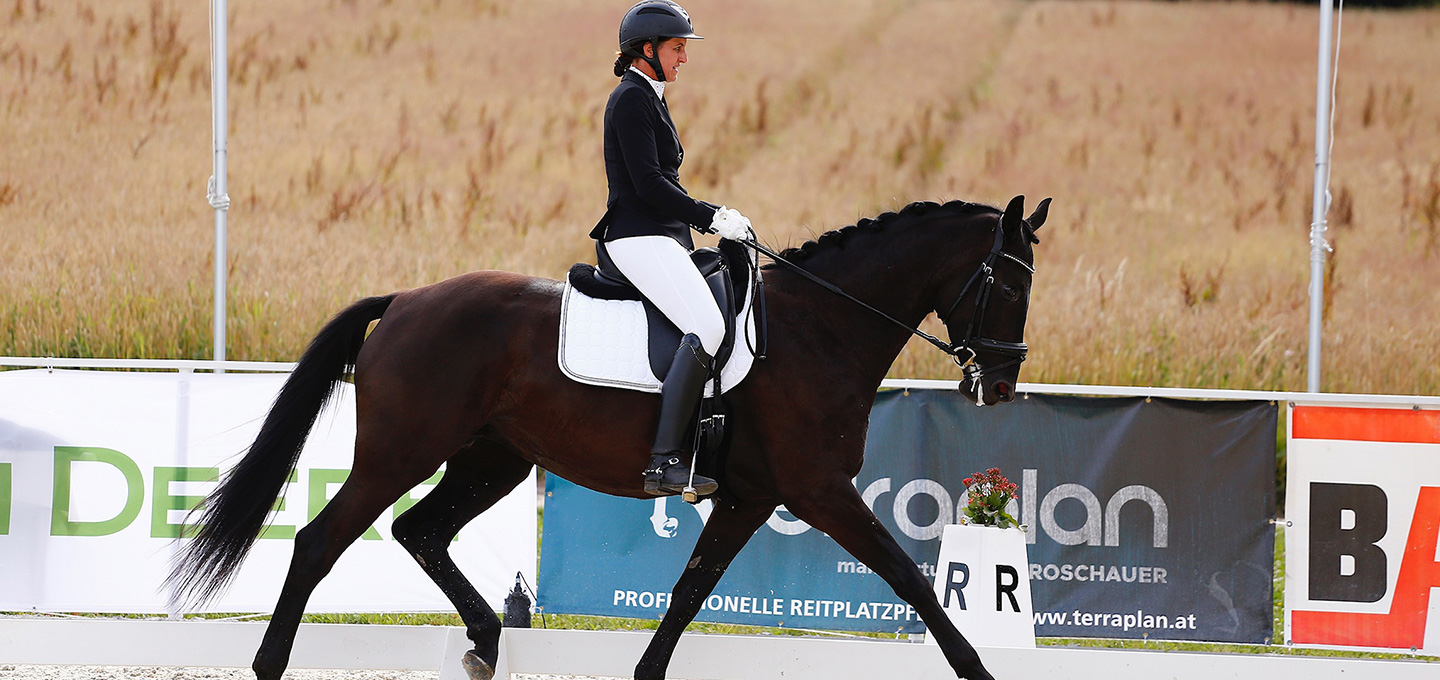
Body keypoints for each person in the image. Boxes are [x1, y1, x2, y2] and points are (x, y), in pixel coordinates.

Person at [590, 0, 753, 497]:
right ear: (648, 49)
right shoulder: (631, 99)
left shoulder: (650, 95)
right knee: (706, 325)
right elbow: (649, 185)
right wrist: (712, 216)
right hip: (636, 236)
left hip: (662, 235)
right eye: (677, 48)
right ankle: (664, 462)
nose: (684, 58)